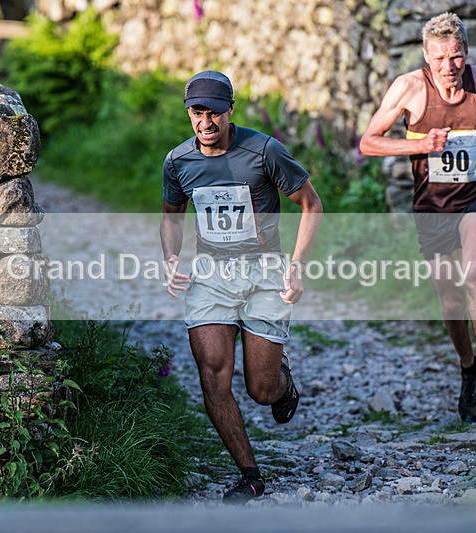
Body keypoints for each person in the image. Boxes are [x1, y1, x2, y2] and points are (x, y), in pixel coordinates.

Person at [359, 12, 476, 423]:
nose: (448, 66)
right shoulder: (409, 88)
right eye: (439, 58)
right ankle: (468, 369)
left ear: (466, 53)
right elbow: (368, 142)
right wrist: (419, 146)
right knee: (451, 296)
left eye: (455, 57)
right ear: (426, 56)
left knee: (474, 271)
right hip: (432, 207)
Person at [160, 70, 322, 503]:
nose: (206, 122)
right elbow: (171, 216)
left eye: (215, 113)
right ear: (188, 112)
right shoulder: (178, 161)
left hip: (264, 272)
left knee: (261, 390)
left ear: (230, 110)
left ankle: (282, 381)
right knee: (212, 375)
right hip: (211, 275)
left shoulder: (265, 150)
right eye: (197, 113)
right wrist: (172, 258)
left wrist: (297, 266)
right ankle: (249, 474)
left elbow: (311, 203)